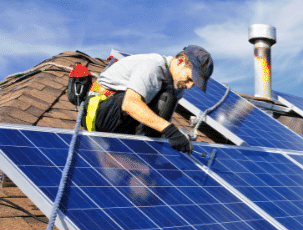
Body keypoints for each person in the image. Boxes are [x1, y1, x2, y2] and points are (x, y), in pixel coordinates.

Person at [82, 45, 213, 153]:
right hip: (98, 112)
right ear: (180, 62)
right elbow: (130, 104)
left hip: (121, 122)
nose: (189, 86)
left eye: (193, 83)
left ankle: (143, 154)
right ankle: (136, 152)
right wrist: (170, 131)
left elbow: (162, 121)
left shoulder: (176, 87)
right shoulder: (153, 66)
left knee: (169, 97)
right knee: (164, 98)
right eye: (189, 79)